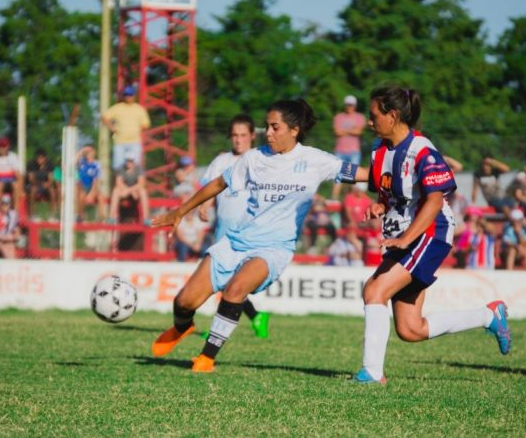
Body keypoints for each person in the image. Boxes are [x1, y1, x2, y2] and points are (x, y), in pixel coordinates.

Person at [150, 98, 367, 373]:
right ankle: (183, 326)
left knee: (236, 289)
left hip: (274, 248)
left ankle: (206, 358)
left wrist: (400, 176)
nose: (269, 133)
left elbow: (364, 175)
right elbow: (218, 184)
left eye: (275, 127)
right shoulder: (254, 158)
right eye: (266, 126)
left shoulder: (315, 160)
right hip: (236, 241)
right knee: (183, 302)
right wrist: (180, 211)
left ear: (294, 130)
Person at [354, 86, 511, 385]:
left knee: (374, 290)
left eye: (374, 115)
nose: (369, 121)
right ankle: (488, 316)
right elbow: (388, 194)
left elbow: (435, 201)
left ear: (393, 115)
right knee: (410, 329)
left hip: (430, 233)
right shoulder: (379, 149)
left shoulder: (422, 150)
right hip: (406, 235)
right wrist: (378, 206)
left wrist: (405, 239)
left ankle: (372, 374)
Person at [198, 114, 271, 338]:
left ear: (251, 136)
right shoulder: (221, 161)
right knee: (224, 282)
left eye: (243, 135)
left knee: (233, 282)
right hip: (223, 230)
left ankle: (218, 329)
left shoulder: (261, 161)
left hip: (248, 233)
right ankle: (256, 316)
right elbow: (211, 187)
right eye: (235, 135)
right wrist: (205, 205)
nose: (238, 140)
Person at [101, 85, 151, 171]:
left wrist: (134, 129)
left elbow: (146, 124)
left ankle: (136, 183)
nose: (128, 97)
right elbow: (104, 117)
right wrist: (111, 127)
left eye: (130, 95)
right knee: (118, 166)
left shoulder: (139, 109)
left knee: (136, 166)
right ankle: (119, 183)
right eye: (126, 95)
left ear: (134, 96)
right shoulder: (118, 107)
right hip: (120, 141)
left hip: (134, 141)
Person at [330, 94, 366, 200]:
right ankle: (334, 199)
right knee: (338, 176)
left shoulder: (360, 117)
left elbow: (359, 131)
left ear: (355, 106)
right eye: (348, 105)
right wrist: (351, 130)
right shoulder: (338, 117)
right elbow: (337, 132)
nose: (350, 107)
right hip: (340, 151)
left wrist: (344, 131)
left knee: (352, 177)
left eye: (351, 105)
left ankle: (351, 200)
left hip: (353, 151)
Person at [109, 158, 150, 224]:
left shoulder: (139, 169)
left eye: (131, 161)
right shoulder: (121, 168)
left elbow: (142, 183)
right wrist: (128, 190)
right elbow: (118, 183)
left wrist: (130, 190)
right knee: (115, 191)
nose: (129, 163)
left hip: (135, 192)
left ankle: (146, 218)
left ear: (134, 162)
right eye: (128, 161)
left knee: (143, 191)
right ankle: (111, 217)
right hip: (124, 191)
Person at [26, 149, 57, 220]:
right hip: (33, 184)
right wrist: (40, 183)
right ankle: (32, 215)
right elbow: (31, 179)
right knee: (33, 190)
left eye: (41, 158)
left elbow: (51, 179)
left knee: (51, 190)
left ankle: (53, 215)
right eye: (38, 157)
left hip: (45, 185)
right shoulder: (31, 164)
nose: (39, 159)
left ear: (45, 158)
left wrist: (48, 184)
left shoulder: (50, 164)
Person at [76, 145, 105, 221]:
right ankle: (80, 215)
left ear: (94, 152)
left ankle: (101, 218)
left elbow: (96, 180)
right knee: (81, 194)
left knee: (100, 196)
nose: (88, 153)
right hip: (82, 186)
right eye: (87, 152)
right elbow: (73, 160)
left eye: (90, 151)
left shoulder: (96, 164)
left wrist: (92, 193)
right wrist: (83, 150)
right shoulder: (82, 161)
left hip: (92, 186)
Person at [0, 194, 21, 259]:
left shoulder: (13, 215)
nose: (5, 206)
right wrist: (5, 238)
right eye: (3, 204)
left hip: (9, 240)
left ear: (10, 205)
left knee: (10, 246)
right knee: (5, 246)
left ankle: (11, 263)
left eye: (7, 204)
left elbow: (17, 231)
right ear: (0, 204)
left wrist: (13, 237)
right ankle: (12, 264)